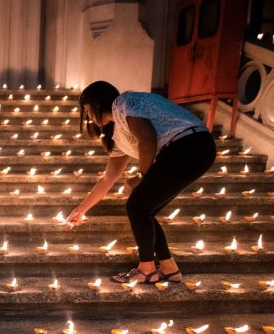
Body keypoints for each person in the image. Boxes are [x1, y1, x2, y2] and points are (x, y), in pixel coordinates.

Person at [66, 81, 216, 284]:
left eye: (88, 110)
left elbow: (148, 139)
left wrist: (141, 176)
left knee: (137, 207)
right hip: (196, 149)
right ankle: (169, 268)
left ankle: (146, 269)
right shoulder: (119, 134)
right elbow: (109, 178)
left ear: (97, 102)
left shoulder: (123, 103)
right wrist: (82, 209)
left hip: (188, 145)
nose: (90, 117)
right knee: (145, 209)